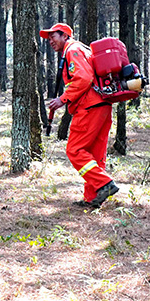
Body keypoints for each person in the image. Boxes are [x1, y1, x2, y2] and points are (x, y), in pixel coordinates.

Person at [41, 23, 119, 209]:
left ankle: (105, 184)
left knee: (75, 150)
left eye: (53, 36)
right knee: (95, 155)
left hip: (89, 107)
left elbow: (83, 78)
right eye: (49, 37)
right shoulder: (82, 49)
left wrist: (63, 99)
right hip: (101, 105)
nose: (50, 40)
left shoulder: (73, 50)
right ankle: (92, 198)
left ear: (65, 35)